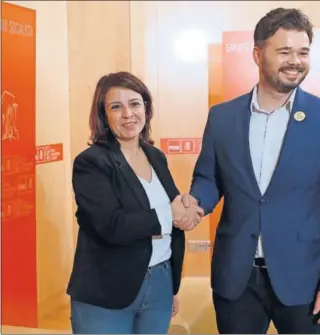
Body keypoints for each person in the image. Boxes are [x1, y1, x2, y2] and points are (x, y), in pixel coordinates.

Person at [175, 7, 320, 334]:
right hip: (236, 279)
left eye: (303, 52)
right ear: (257, 55)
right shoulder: (222, 117)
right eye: (285, 51)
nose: (296, 61)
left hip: (305, 280)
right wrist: (197, 204)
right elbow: (209, 178)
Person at [67, 71, 202, 334]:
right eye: (116, 107)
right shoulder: (92, 162)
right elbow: (111, 225)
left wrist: (186, 212)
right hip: (107, 291)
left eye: (135, 104)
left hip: (160, 283)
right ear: (103, 116)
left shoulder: (156, 156)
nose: (128, 114)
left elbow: (172, 214)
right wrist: (170, 214)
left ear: (146, 108)